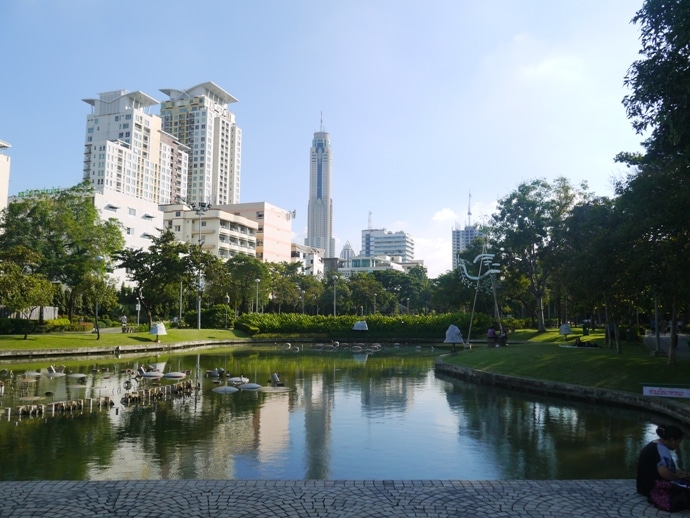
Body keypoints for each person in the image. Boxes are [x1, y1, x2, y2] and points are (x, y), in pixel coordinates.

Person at [637, 425, 690, 511]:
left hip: (643, 486)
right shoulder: (662, 451)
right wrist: (678, 476)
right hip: (653, 488)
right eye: (678, 442)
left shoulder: (654, 444)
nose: (677, 446)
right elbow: (664, 473)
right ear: (672, 440)